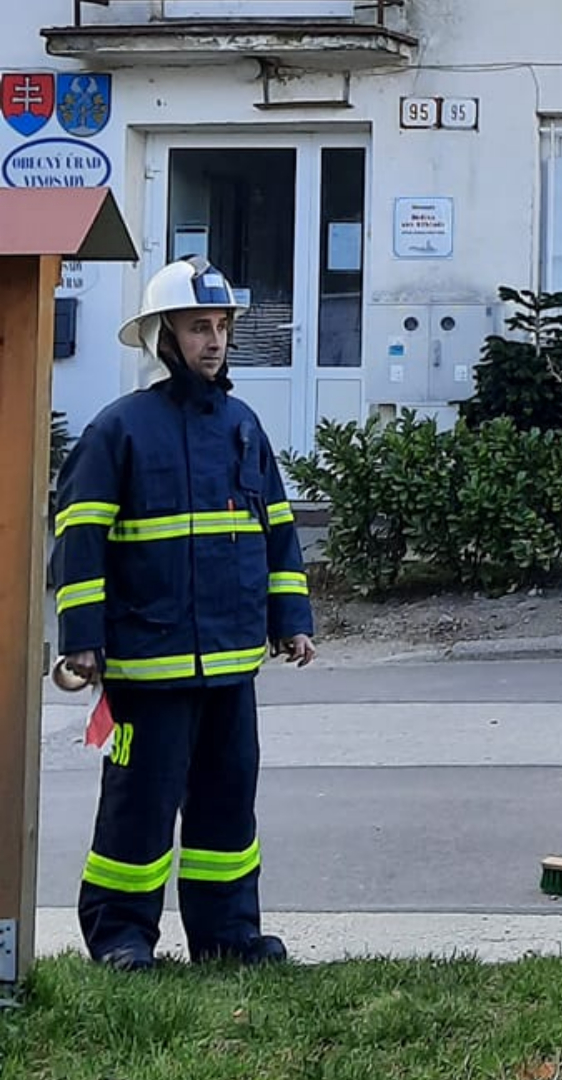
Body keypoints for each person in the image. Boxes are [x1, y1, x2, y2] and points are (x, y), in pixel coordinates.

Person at [51, 255, 316, 971]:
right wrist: (81, 641)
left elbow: (280, 532)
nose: (215, 340)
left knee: (228, 812)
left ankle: (228, 936)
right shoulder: (120, 430)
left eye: (222, 326)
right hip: (145, 666)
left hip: (231, 666)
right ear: (163, 337)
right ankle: (121, 938)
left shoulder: (242, 426)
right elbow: (79, 541)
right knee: (137, 811)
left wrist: (291, 618)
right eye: (199, 327)